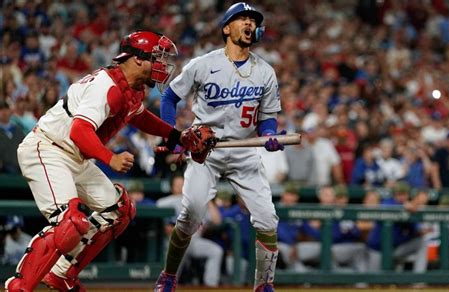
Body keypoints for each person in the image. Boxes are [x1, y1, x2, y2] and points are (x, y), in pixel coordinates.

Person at [5, 31, 201, 291]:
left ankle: (62, 273)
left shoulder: (131, 89)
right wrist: (111, 158)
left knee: (119, 209)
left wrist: (178, 136)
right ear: (138, 59)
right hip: (48, 148)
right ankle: (18, 287)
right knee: (70, 223)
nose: (162, 66)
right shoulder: (106, 86)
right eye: (157, 58)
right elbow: (79, 131)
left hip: (75, 156)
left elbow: (140, 117)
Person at [155, 3, 284, 291]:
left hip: (243, 150)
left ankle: (264, 284)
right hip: (206, 152)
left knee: (267, 218)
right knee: (190, 215)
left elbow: (267, 119)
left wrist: (270, 135)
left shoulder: (265, 71)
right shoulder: (203, 64)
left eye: (252, 20)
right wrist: (170, 135)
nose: (249, 23)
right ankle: (168, 276)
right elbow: (169, 98)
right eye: (242, 19)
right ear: (227, 28)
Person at [156, 175, 224, 287]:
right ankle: (168, 286)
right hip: (174, 241)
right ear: (172, 187)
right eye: (177, 185)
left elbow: (217, 220)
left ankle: (211, 286)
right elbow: (161, 225)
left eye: (183, 184)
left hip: (194, 242)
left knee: (216, 251)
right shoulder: (163, 202)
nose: (181, 187)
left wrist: (208, 199)